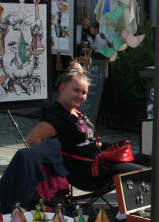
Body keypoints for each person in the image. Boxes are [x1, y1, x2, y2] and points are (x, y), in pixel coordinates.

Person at [25, 63, 147, 191]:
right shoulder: (56, 116)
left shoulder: (75, 112)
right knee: (143, 173)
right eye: (76, 90)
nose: (80, 96)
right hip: (85, 172)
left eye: (84, 92)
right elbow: (33, 139)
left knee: (148, 160)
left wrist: (106, 146)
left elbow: (81, 141)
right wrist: (54, 165)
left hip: (99, 161)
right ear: (62, 88)